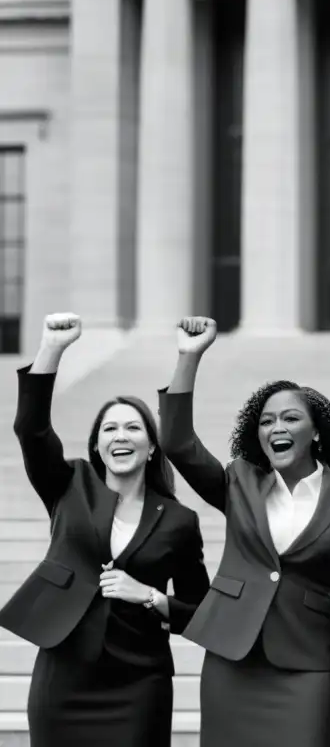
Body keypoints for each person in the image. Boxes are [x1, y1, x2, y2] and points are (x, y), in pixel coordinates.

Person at [159, 317, 330, 747]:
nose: (276, 428)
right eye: (266, 421)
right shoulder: (238, 480)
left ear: (315, 432)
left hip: (306, 665)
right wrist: (189, 355)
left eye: (290, 418)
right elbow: (177, 442)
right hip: (231, 657)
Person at [0, 312, 209, 747]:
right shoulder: (68, 484)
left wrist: (151, 596)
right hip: (64, 675)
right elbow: (31, 429)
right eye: (110, 428)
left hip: (139, 683)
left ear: (152, 446)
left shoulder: (178, 520)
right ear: (96, 444)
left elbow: (200, 612)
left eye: (133, 427)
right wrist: (51, 349)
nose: (121, 436)